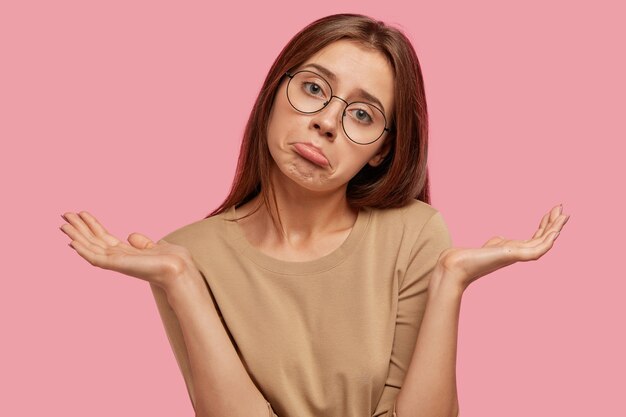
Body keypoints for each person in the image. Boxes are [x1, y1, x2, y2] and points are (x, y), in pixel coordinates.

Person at [59, 13, 570, 417]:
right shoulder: (187, 255)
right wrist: (181, 281)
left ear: (381, 152)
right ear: (273, 93)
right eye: (313, 88)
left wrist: (449, 281)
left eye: (363, 114)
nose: (326, 122)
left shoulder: (414, 233)